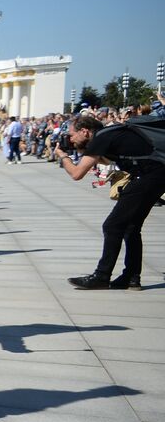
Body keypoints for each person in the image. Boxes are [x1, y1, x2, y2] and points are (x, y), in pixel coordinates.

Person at [59, 103, 165, 290]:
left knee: (113, 225)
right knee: (131, 226)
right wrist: (79, 149)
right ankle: (131, 277)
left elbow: (77, 173)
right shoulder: (110, 134)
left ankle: (101, 276)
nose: (70, 139)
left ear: (85, 131)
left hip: (149, 175)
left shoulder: (102, 137)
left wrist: (62, 155)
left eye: (72, 135)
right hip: (157, 175)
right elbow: (103, 159)